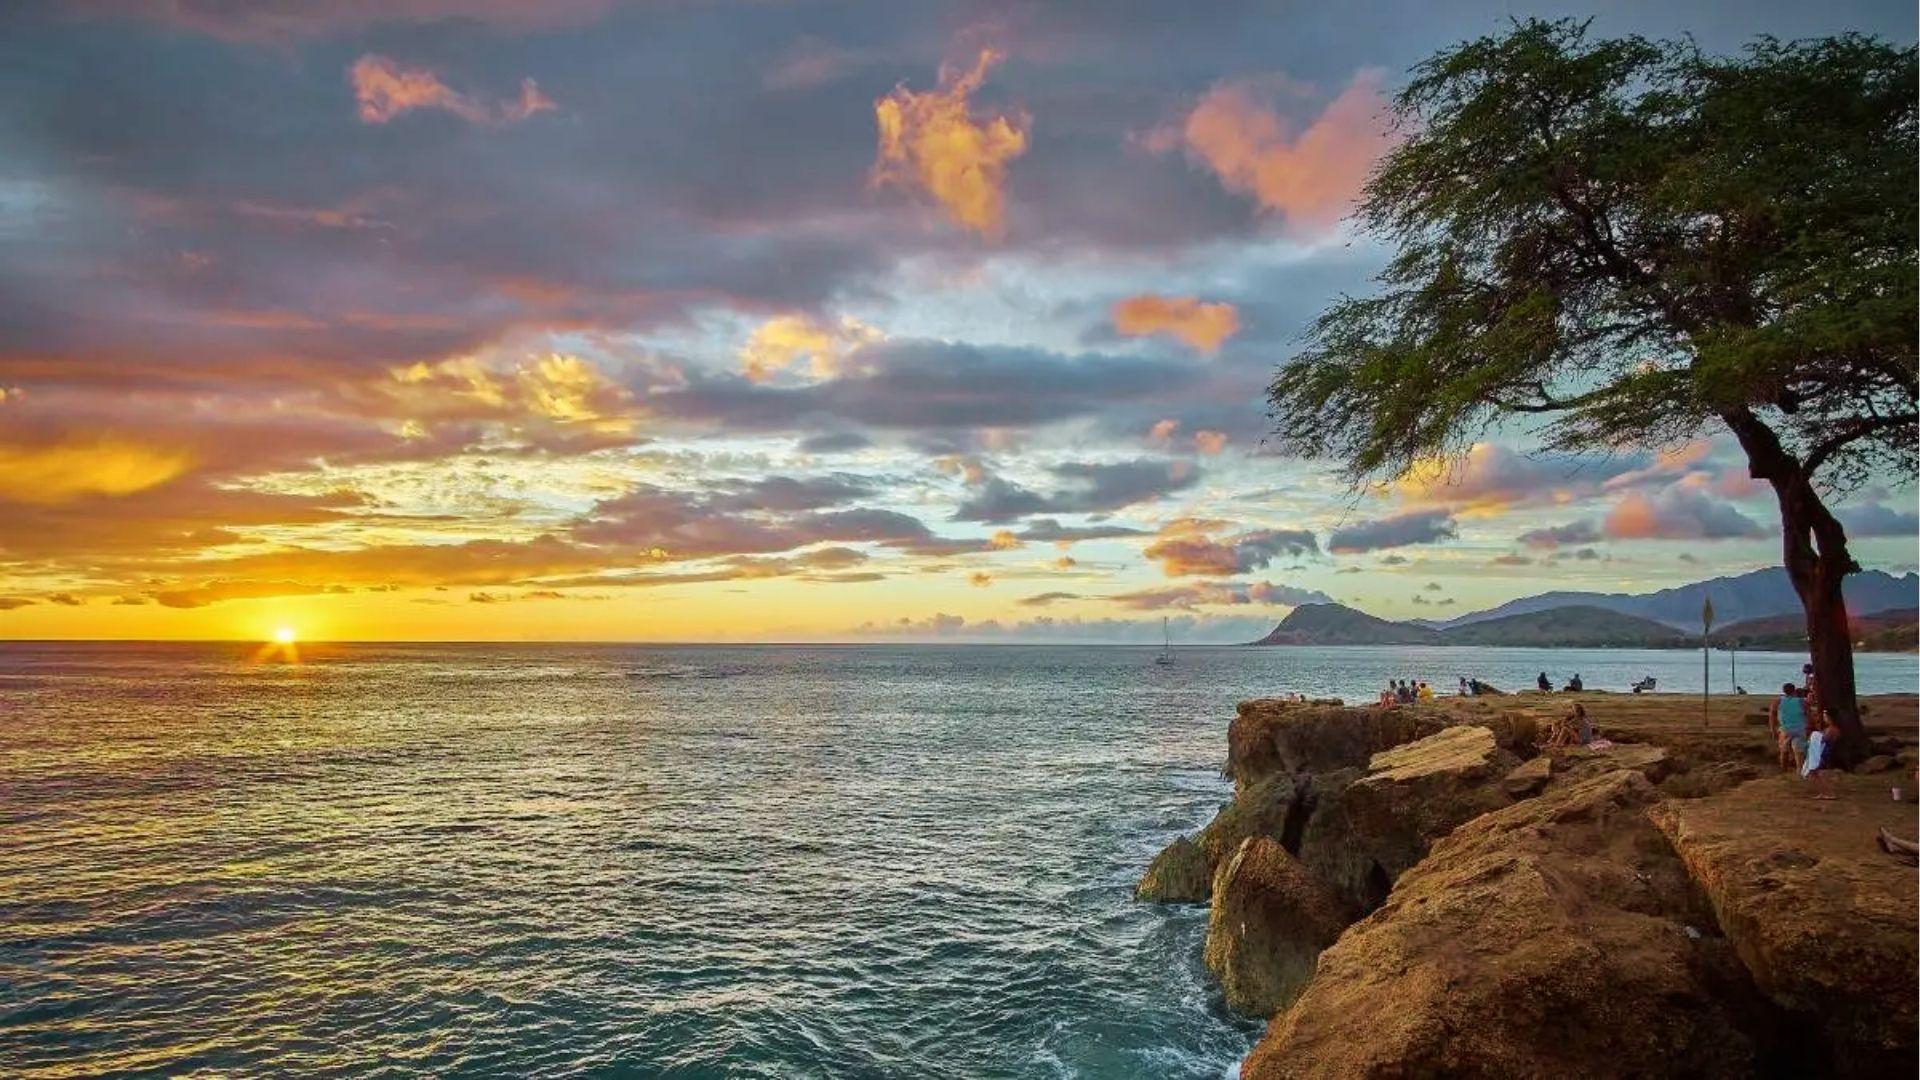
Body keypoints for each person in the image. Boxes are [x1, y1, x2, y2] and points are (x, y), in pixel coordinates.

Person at [1802, 713, 1841, 800]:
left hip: (1823, 753)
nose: (1824, 719)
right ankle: (1823, 792)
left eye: (1825, 717)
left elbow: (1824, 740)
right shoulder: (1831, 729)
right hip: (1823, 752)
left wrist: (1815, 735)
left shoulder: (1832, 729)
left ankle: (1829, 793)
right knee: (1817, 774)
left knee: (1818, 774)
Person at [1772, 682, 1808, 772]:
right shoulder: (1801, 702)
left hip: (1785, 730)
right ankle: (1800, 772)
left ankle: (1784, 770)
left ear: (1784, 691)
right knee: (1799, 753)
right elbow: (1809, 715)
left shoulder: (1778, 701)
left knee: (1784, 752)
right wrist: (1808, 727)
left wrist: (1773, 729)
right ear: (1794, 690)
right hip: (1799, 729)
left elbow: (1772, 716)